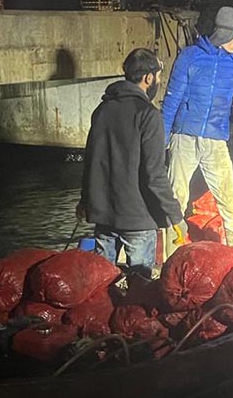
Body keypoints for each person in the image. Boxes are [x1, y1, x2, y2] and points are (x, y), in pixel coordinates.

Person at [162, 6, 233, 254]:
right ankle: (168, 258)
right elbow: (171, 100)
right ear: (224, 34)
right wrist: (162, 140)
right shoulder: (190, 56)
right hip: (183, 137)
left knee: (229, 201)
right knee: (176, 199)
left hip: (216, 141)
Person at [79, 48, 186, 272]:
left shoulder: (102, 110)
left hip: (103, 216)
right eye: (157, 77)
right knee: (140, 285)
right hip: (137, 218)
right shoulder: (148, 115)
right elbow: (154, 173)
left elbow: (91, 160)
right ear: (148, 78)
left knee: (101, 282)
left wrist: (84, 202)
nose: (157, 81)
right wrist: (175, 215)